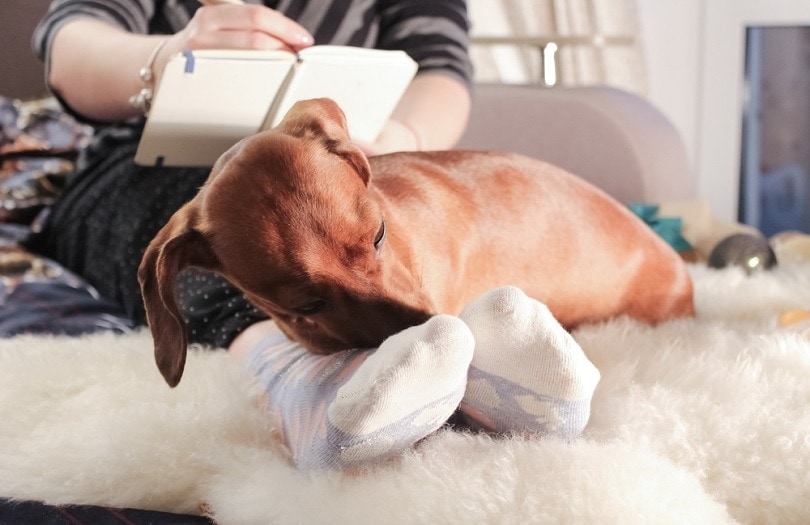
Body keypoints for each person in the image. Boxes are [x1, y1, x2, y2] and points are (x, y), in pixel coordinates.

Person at [28, 0, 600, 471]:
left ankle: (465, 381)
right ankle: (306, 392)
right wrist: (165, 57)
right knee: (235, 236)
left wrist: (397, 137)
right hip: (139, 172)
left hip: (330, 160)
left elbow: (441, 68)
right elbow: (68, 45)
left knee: (346, 231)